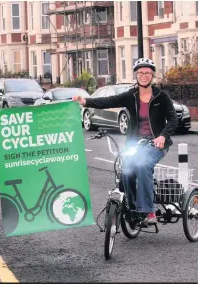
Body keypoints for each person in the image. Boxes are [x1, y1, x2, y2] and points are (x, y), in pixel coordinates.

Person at [73, 58, 178, 224]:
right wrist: (85, 101)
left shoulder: (161, 96)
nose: (144, 75)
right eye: (141, 72)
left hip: (156, 143)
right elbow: (109, 101)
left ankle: (148, 211)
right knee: (126, 168)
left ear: (152, 76)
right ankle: (133, 207)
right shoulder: (131, 96)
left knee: (143, 165)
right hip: (135, 143)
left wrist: (163, 136)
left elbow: (173, 119)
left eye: (147, 73)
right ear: (136, 75)